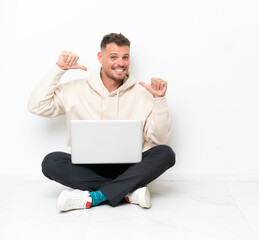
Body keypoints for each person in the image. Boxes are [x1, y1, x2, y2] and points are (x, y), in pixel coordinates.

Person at [28, 33, 175, 212]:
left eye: (125, 57)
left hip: (129, 167)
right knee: (51, 162)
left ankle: (96, 196)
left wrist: (159, 99)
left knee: (166, 153)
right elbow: (36, 106)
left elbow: (159, 139)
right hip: (88, 168)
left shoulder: (143, 93)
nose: (120, 63)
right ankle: (128, 193)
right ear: (100, 57)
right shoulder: (75, 89)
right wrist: (59, 69)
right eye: (113, 57)